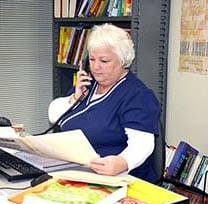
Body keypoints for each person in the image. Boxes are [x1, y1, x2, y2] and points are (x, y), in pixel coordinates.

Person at [48, 23, 161, 183]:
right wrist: (75, 97)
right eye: (92, 59)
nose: (95, 67)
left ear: (122, 61)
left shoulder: (137, 95)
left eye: (104, 61)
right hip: (77, 172)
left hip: (118, 179)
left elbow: (143, 144)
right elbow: (53, 116)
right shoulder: (89, 84)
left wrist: (122, 162)